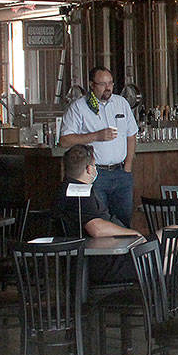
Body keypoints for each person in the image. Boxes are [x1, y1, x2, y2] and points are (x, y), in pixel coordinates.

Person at [59, 67, 138, 227]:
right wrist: (96, 136)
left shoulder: (121, 103)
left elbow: (131, 134)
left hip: (121, 172)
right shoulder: (79, 107)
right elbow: (64, 141)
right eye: (102, 84)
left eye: (110, 83)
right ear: (91, 85)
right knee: (99, 221)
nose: (108, 87)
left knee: (124, 221)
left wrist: (128, 166)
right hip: (95, 174)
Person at [54, 144, 142, 283]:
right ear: (89, 169)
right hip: (102, 264)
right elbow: (96, 228)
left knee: (175, 246)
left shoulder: (65, 189)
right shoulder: (80, 194)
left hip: (102, 258)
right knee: (174, 249)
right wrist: (133, 234)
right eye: (95, 166)